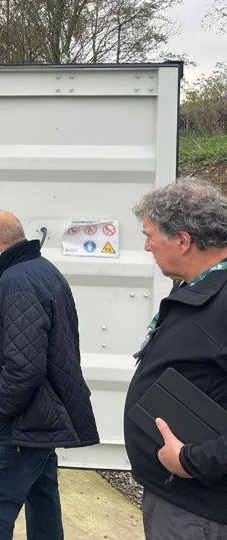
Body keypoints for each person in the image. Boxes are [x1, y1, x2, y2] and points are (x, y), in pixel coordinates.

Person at [0, 210, 98, 540]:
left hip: (22, 420)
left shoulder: (16, 284)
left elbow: (25, 367)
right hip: (42, 415)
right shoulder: (42, 270)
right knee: (42, 501)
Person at [124, 177, 227, 536]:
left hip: (199, 507)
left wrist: (191, 460)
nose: (147, 245)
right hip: (179, 497)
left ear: (183, 240)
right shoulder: (196, 287)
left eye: (151, 235)